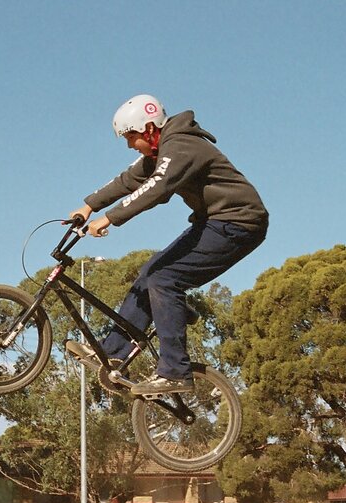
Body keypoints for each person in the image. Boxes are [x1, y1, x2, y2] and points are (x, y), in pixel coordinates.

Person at [67, 94, 268, 396]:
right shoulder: (160, 151)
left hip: (239, 223)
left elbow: (156, 189)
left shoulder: (182, 146)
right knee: (148, 274)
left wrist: (108, 219)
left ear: (149, 129)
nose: (129, 145)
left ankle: (175, 372)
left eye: (131, 137)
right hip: (213, 222)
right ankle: (113, 352)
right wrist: (88, 206)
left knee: (164, 279)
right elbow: (129, 180)